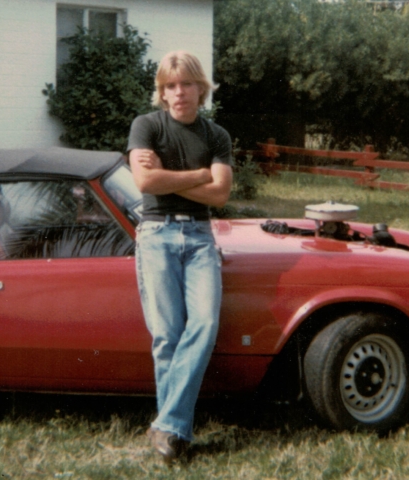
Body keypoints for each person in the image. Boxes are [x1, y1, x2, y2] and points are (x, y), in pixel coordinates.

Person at [127, 50, 233, 463]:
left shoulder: (216, 135)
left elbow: (220, 195)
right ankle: (174, 434)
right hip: (156, 234)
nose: (178, 92)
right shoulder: (146, 126)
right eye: (170, 85)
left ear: (200, 89)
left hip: (200, 237)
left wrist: (166, 180)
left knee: (204, 325)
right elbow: (143, 180)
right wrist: (200, 174)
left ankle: (167, 424)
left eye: (186, 84)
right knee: (167, 334)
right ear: (162, 91)